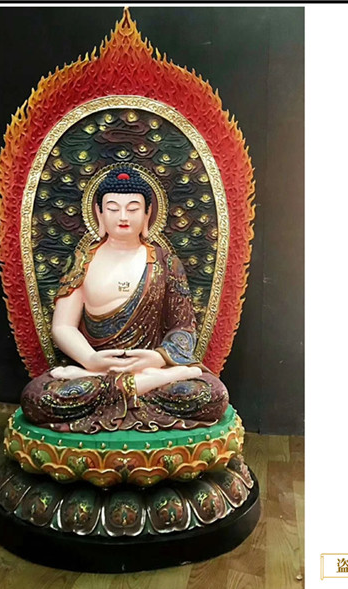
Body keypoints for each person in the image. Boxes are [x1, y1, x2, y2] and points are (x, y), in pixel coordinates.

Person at [21, 166, 229, 433]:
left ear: (147, 214)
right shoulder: (82, 261)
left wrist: (156, 359)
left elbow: (184, 328)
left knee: (212, 395)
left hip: (146, 366)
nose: (122, 217)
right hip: (99, 365)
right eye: (113, 208)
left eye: (132, 209)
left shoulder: (165, 263)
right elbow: (63, 326)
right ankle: (137, 381)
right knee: (37, 398)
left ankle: (131, 380)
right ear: (99, 213)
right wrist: (91, 360)